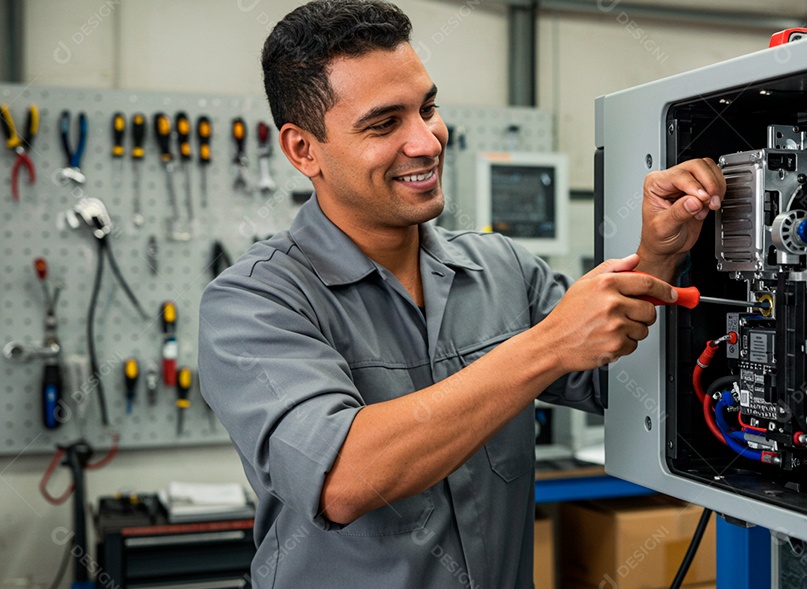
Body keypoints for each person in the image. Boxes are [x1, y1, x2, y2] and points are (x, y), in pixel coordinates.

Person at [197, 1, 725, 587]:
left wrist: (661, 253)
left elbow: (614, 381)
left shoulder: (500, 268)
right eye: (383, 123)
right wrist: (547, 345)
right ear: (303, 151)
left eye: (427, 109)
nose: (426, 142)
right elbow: (341, 479)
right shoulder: (252, 303)